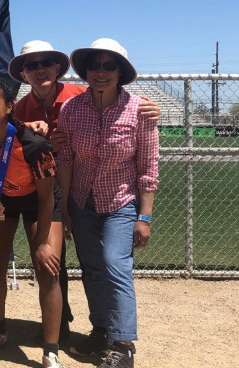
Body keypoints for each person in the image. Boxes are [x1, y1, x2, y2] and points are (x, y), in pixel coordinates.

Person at [10, 40, 161, 339]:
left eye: (45, 63)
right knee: (60, 259)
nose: (39, 70)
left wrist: (145, 217)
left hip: (101, 190)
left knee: (110, 263)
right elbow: (41, 151)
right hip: (56, 188)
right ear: (24, 73)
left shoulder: (79, 95)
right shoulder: (22, 108)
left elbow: (146, 161)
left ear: (57, 67)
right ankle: (63, 322)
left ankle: (118, 340)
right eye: (31, 65)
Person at [56, 38, 159, 368]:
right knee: (92, 268)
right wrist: (66, 208)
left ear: (121, 73)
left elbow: (148, 166)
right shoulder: (71, 109)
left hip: (121, 203)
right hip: (82, 201)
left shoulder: (140, 110)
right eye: (95, 66)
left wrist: (144, 217)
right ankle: (101, 330)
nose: (101, 72)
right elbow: (67, 160)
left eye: (108, 66)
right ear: (86, 71)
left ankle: (123, 345)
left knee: (116, 265)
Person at [0, 80, 69, 368]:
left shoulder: (34, 145)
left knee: (48, 269)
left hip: (41, 203)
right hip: (1, 202)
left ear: (9, 107)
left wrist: (40, 243)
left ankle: (51, 350)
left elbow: (46, 197)